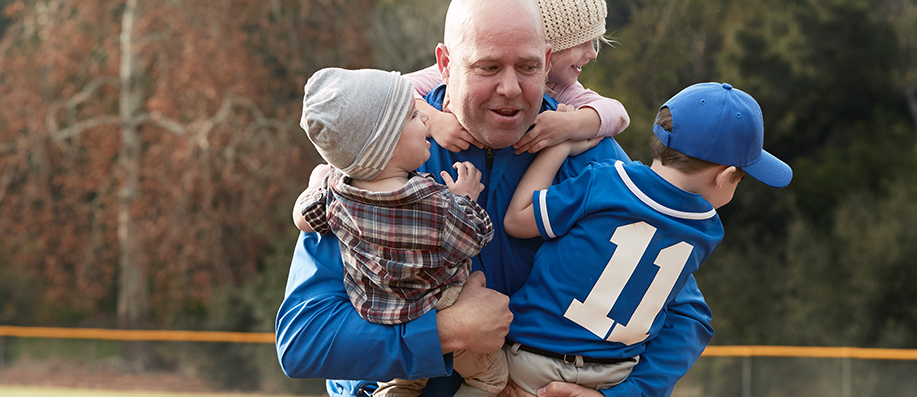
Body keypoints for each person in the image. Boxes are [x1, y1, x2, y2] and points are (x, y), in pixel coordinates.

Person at [275, 1, 713, 396]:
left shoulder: (591, 157)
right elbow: (303, 341)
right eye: (488, 68)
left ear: (546, 64)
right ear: (446, 65)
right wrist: (445, 331)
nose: (510, 88)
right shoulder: (378, 159)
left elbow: (685, 314)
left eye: (526, 67)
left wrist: (622, 395)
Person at [501, 82, 792, 394]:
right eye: (741, 178)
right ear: (723, 177)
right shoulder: (706, 232)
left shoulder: (605, 180)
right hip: (615, 376)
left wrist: (559, 147)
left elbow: (517, 219)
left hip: (532, 363)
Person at [291, 67, 505, 397]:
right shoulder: (434, 203)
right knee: (491, 380)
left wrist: (316, 182)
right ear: (387, 145)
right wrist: (466, 198)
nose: (425, 118)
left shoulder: (336, 196)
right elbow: (474, 237)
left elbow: (304, 218)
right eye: (411, 117)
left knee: (400, 381)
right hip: (439, 305)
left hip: (379, 317)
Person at [404, 0, 630, 155]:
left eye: (528, 66)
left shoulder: (563, 90)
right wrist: (434, 121)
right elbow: (398, 88)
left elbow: (619, 115)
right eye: (489, 67)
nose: (592, 53)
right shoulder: (455, 71)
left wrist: (568, 125)